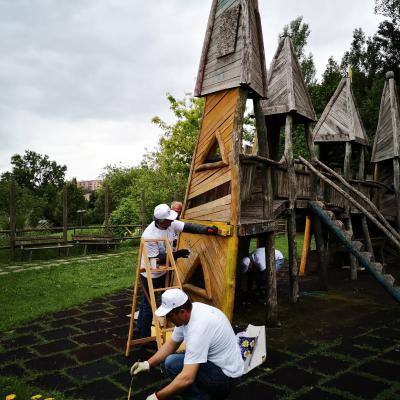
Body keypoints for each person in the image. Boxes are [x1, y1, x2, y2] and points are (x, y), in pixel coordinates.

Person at [131, 289, 244, 400]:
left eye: (170, 316)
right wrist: (147, 364)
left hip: (227, 377)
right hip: (220, 364)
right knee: (170, 362)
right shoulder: (190, 312)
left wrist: (157, 396)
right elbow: (171, 344)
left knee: (172, 364)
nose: (168, 319)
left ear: (182, 312)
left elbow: (187, 378)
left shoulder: (198, 328)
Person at [137, 204, 219, 338]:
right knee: (149, 303)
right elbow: (155, 260)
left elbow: (187, 226)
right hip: (151, 273)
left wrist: (206, 229)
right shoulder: (149, 236)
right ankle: (145, 336)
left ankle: (140, 326)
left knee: (151, 300)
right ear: (160, 221)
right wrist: (177, 254)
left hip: (166, 269)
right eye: (168, 220)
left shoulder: (169, 223)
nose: (171, 221)